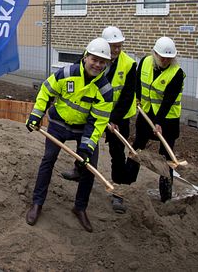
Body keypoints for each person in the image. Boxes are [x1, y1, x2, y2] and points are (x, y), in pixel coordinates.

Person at [24, 37, 114, 233]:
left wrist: (86, 148)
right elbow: (46, 91)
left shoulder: (105, 90)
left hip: (84, 129)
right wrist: (36, 115)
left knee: (89, 166)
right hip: (58, 124)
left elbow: (98, 121)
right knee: (48, 160)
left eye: (102, 62)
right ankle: (37, 203)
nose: (97, 65)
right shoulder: (66, 74)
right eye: (94, 59)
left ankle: (79, 208)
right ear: (85, 56)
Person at [60, 26, 137, 214]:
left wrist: (113, 119)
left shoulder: (129, 64)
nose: (116, 51)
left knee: (117, 153)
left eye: (119, 46)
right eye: (113, 47)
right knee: (85, 143)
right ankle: (79, 170)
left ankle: (118, 193)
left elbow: (127, 96)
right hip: (92, 111)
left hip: (118, 117)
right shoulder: (91, 56)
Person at [124, 36, 185, 203]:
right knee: (137, 148)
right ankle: (126, 184)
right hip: (146, 114)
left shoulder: (176, 74)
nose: (165, 60)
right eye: (162, 57)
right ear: (155, 54)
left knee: (165, 158)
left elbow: (168, 101)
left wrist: (159, 122)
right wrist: (137, 98)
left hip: (168, 120)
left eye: (169, 58)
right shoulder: (145, 62)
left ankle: (165, 196)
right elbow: (137, 82)